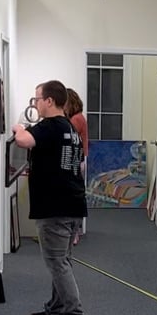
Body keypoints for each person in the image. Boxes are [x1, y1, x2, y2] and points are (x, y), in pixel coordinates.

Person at [13, 80, 88, 315]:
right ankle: (56, 309)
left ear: (49, 101)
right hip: (73, 202)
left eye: (37, 99)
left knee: (57, 262)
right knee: (63, 260)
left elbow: (23, 140)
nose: (34, 103)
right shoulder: (70, 126)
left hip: (55, 206)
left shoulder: (50, 126)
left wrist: (18, 127)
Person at [64, 88, 90, 244]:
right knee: (74, 197)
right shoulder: (78, 117)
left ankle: (74, 232)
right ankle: (74, 231)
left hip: (77, 161)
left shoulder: (76, 119)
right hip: (79, 160)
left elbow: (67, 136)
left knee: (73, 198)